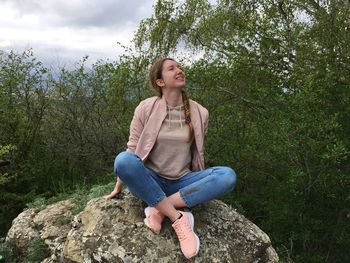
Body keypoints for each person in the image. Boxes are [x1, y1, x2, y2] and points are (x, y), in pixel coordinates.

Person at [104, 58, 237, 259]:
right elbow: (132, 150)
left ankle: (159, 209)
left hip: (183, 182)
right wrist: (118, 186)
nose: (179, 70)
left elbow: (197, 153)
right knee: (123, 161)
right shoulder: (145, 108)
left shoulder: (201, 113)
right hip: (151, 180)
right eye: (171, 68)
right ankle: (178, 217)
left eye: (180, 67)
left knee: (227, 176)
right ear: (160, 82)